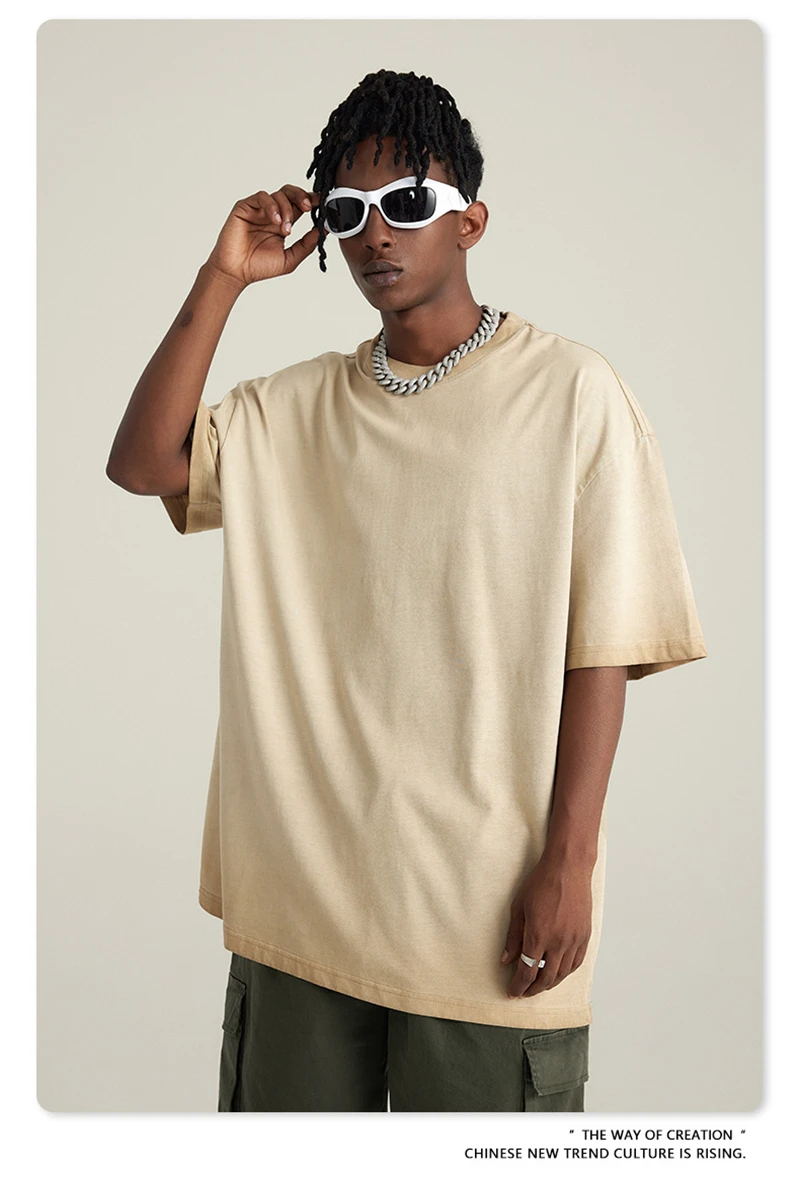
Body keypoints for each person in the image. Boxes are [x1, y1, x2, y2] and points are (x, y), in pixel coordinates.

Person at [106, 69, 708, 1113]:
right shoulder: (294, 408)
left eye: (407, 202)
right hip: (300, 905)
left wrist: (569, 863)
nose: (374, 233)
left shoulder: (574, 394)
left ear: (470, 220)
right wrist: (224, 277)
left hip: (483, 914)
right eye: (346, 212)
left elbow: (602, 646)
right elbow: (144, 462)